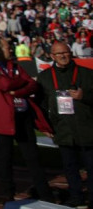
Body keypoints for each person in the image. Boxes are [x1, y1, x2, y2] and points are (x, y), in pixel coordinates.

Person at [0, 38, 55, 204]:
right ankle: (9, 196)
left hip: (22, 116)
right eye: (7, 46)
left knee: (33, 157)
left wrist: (17, 92)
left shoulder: (15, 66)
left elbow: (33, 85)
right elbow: (4, 84)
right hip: (3, 120)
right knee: (5, 159)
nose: (11, 49)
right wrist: (20, 84)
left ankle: (46, 195)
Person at [37, 42, 93, 208]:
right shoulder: (45, 77)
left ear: (71, 53)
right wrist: (45, 126)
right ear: (52, 56)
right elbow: (40, 105)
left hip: (87, 128)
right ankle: (76, 197)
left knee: (91, 166)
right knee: (70, 168)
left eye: (66, 52)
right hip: (63, 129)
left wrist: (85, 96)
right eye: (58, 53)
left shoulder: (87, 74)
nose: (63, 56)